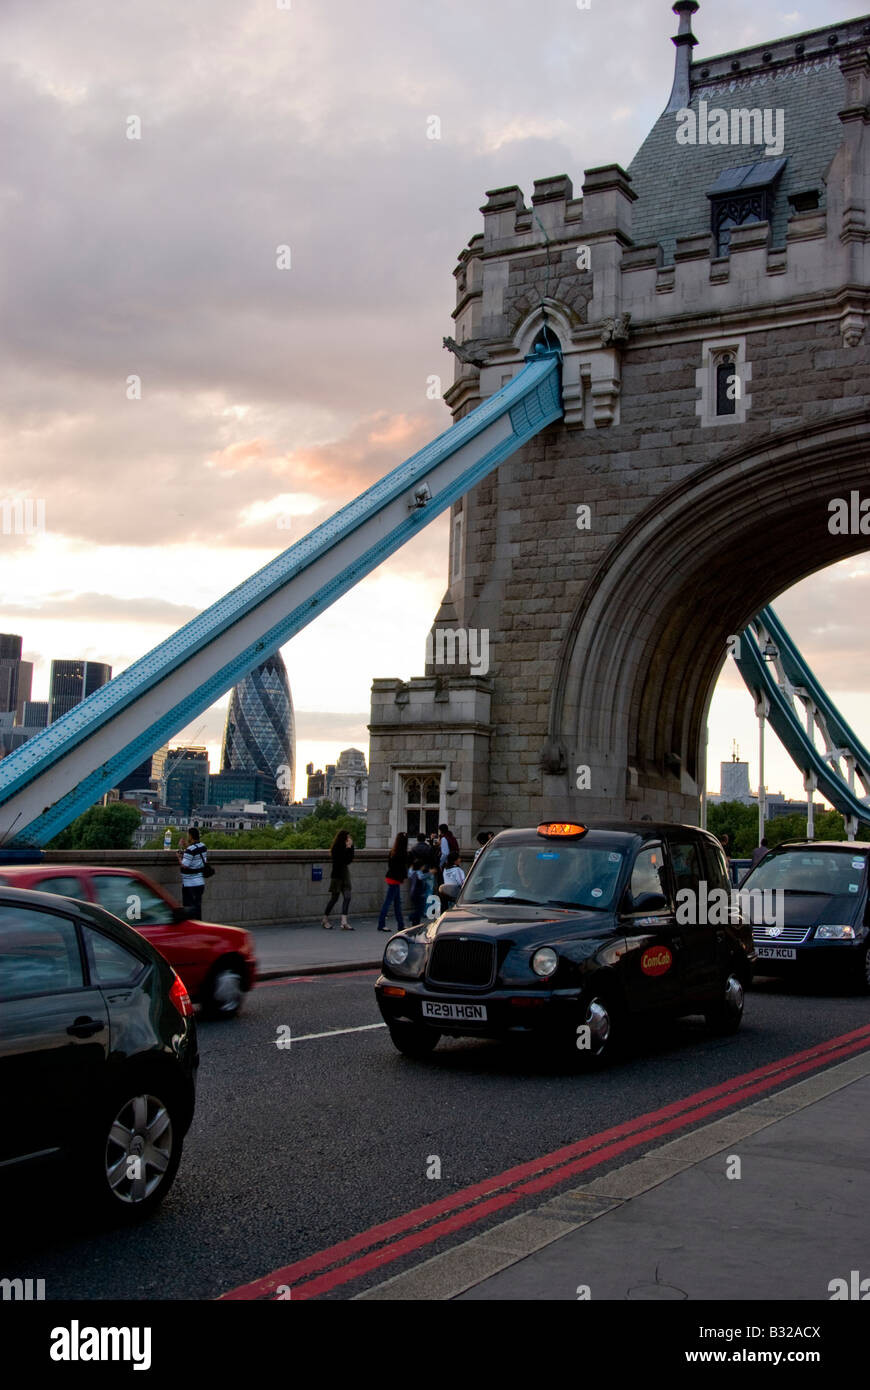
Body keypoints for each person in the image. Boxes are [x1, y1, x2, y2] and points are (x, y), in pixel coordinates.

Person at [322, 828, 355, 930]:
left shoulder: (347, 847)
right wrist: (348, 848)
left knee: (347, 897)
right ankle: (325, 919)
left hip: (345, 874)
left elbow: (350, 860)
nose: (349, 839)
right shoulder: (336, 848)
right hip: (337, 875)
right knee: (334, 898)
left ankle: (344, 921)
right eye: (347, 837)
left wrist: (350, 847)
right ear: (343, 838)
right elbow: (342, 860)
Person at [378, 832, 409, 932]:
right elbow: (403, 868)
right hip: (396, 879)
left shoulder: (393, 851)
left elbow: (391, 866)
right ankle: (381, 924)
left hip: (391, 877)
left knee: (396, 902)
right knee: (389, 902)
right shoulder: (403, 853)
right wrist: (403, 877)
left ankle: (401, 924)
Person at [178, 824, 208, 918]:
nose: (187, 838)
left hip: (190, 884)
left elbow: (185, 865)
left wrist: (179, 857)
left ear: (191, 836)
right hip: (200, 882)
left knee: (189, 909)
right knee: (197, 908)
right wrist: (185, 847)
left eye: (188, 836)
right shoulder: (203, 846)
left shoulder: (190, 850)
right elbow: (194, 852)